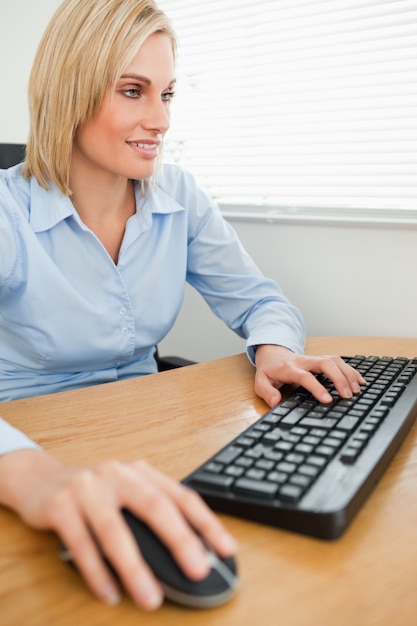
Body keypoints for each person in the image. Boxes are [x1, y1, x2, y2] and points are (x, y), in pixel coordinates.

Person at [0, 0, 365, 612]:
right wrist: (37, 478)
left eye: (167, 94)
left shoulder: (179, 196)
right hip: (30, 442)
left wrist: (274, 348)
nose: (160, 119)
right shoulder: (9, 215)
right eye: (133, 91)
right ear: (71, 91)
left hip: (148, 432)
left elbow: (259, 299)